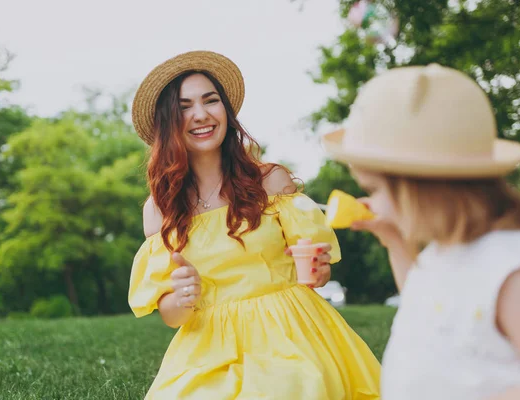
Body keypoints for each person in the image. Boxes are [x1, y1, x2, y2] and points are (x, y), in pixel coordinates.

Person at [128, 50, 380, 399]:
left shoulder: (271, 182)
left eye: (210, 100)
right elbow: (172, 316)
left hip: (290, 331)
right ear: (168, 122)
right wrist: (184, 297)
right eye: (184, 106)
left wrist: (319, 270)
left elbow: (315, 275)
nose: (200, 114)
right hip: (208, 344)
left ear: (226, 112)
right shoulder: (160, 209)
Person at [322, 63, 520, 400]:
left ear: (425, 187)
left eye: (375, 190)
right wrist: (393, 240)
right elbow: (424, 305)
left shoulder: (510, 267)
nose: (372, 202)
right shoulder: (443, 249)